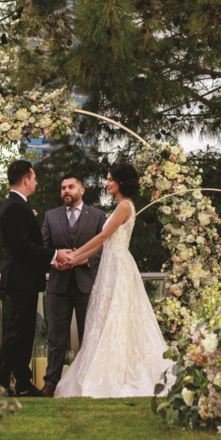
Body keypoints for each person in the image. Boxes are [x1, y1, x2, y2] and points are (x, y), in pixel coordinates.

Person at [54, 163, 174, 398]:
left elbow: (101, 235)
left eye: (110, 179)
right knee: (105, 317)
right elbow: (101, 244)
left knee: (117, 317)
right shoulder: (121, 205)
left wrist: (74, 254)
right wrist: (75, 259)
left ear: (121, 181)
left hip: (118, 267)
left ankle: (119, 374)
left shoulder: (125, 206)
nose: (107, 183)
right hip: (111, 266)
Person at [0, 160, 72, 397]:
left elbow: (26, 246)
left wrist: (50, 260)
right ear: (26, 180)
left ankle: (24, 384)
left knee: (25, 332)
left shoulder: (18, 205)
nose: (36, 182)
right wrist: (55, 254)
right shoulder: (15, 207)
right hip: (20, 279)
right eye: (34, 178)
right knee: (17, 332)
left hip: (24, 279)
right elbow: (22, 247)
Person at [40, 174, 106, 397]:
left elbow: (106, 249)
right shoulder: (50, 216)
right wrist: (54, 262)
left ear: (82, 190)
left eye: (70, 187)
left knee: (89, 335)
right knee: (56, 337)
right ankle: (50, 383)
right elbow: (44, 248)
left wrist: (87, 259)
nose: (65, 191)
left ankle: (90, 381)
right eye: (62, 188)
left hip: (87, 285)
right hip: (58, 286)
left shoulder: (98, 216)